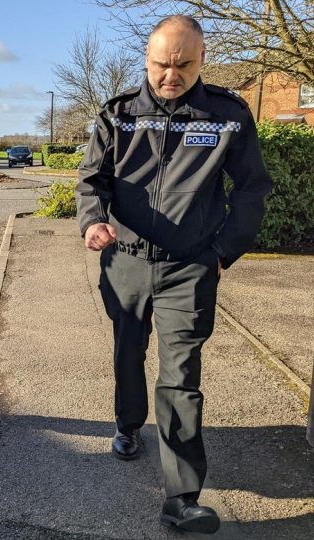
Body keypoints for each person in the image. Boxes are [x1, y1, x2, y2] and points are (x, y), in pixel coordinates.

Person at [76, 15, 272, 534]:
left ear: (202, 59)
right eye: (162, 64)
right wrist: (93, 222)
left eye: (183, 64)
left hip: (190, 268)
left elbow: (253, 188)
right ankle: (126, 424)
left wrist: (225, 250)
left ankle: (182, 497)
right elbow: (92, 178)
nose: (171, 74)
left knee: (181, 376)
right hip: (126, 262)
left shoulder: (227, 115)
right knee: (127, 353)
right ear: (147, 59)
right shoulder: (118, 115)